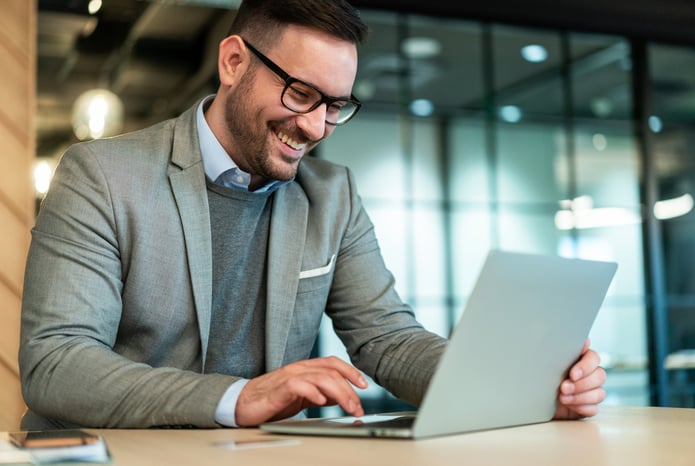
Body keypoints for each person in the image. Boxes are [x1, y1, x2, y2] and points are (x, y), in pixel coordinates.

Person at [19, 0, 606, 429]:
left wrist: (521, 384)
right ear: (232, 62)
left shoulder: (333, 195)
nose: (315, 127)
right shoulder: (101, 175)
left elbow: (388, 340)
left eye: (336, 105)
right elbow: (58, 363)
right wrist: (238, 397)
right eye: (300, 93)